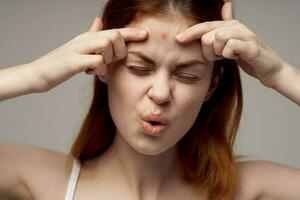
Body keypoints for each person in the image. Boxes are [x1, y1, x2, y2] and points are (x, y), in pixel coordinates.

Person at [0, 0, 299, 200]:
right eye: (139, 68)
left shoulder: (245, 189)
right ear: (103, 66)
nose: (160, 93)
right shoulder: (42, 180)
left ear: (211, 86)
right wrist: (32, 75)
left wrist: (281, 73)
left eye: (188, 75)